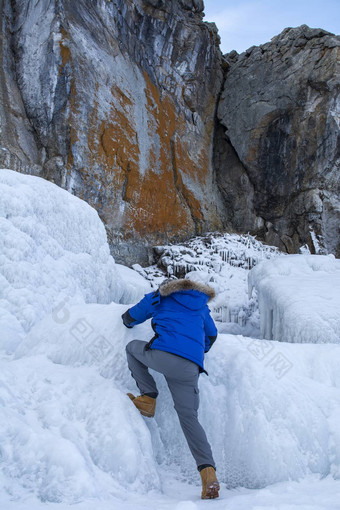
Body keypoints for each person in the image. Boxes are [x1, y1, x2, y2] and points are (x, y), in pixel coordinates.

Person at [122, 278, 220, 500]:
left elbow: (131, 317)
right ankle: (208, 475)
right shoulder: (201, 306)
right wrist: (196, 349)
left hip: (164, 355)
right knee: (189, 419)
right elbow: (212, 335)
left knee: (132, 348)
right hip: (190, 368)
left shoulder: (160, 296)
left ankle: (148, 398)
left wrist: (128, 321)